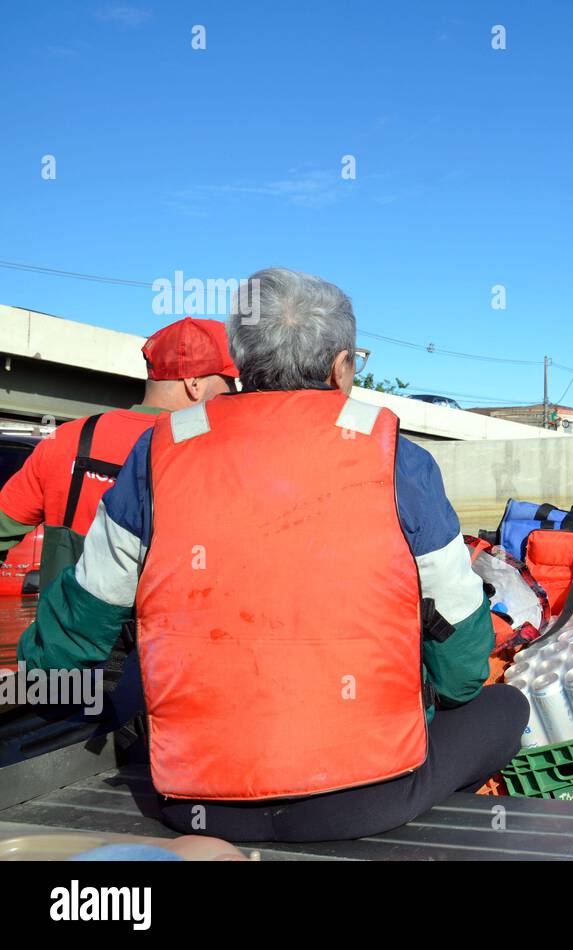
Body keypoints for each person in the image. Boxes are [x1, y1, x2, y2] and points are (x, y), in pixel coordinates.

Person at [18, 268, 528, 842]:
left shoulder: (157, 453)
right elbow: (460, 660)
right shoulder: (399, 461)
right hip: (369, 799)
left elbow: (71, 635)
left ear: (240, 359)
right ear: (342, 366)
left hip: (192, 803)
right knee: (506, 709)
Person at [0, 317, 238, 587]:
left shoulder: (67, 438)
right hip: (160, 628)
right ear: (193, 383)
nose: (233, 392)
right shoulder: (211, 453)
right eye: (229, 382)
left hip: (67, 627)